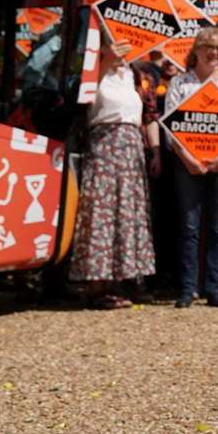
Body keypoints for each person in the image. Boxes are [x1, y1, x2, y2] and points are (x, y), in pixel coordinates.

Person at [70, 40, 159, 309]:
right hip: (105, 144)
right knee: (102, 212)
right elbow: (83, 96)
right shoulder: (96, 72)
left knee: (128, 213)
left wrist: (155, 152)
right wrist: (107, 59)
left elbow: (149, 114)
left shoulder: (136, 76)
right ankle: (96, 284)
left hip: (132, 148)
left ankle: (123, 278)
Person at [164, 27, 218, 308]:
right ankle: (188, 289)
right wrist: (188, 158)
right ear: (196, 51)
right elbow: (171, 128)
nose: (213, 52)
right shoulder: (180, 84)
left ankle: (213, 288)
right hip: (186, 163)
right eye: (207, 47)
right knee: (189, 227)